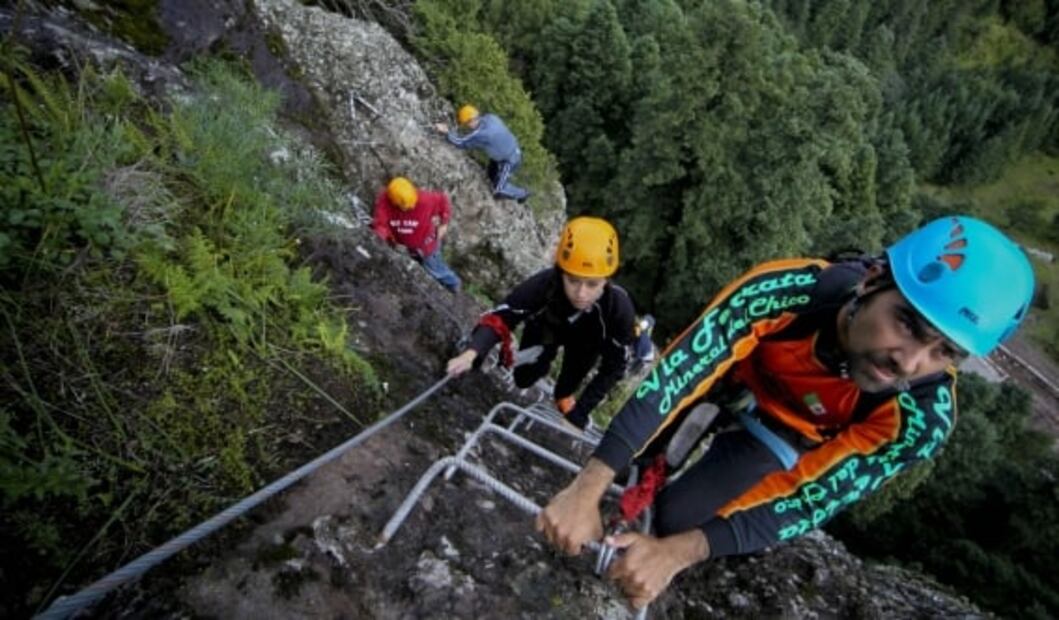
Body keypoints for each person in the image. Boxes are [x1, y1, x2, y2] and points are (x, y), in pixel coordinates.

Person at [535, 215, 1035, 609]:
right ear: (872, 281)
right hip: (734, 375)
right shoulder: (790, 289)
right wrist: (588, 485)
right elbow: (681, 375)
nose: (908, 361)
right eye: (906, 322)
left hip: (787, 430)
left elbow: (811, 499)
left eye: (942, 351)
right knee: (635, 466)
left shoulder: (922, 417)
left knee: (674, 519)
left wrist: (676, 554)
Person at [447, 216, 636, 429]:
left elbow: (615, 365)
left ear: (606, 280)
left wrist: (580, 412)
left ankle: (563, 394)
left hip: (586, 345)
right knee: (523, 378)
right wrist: (472, 352)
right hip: (546, 331)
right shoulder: (547, 284)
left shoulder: (618, 308)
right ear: (561, 272)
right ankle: (544, 362)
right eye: (573, 280)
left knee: (565, 387)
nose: (581, 294)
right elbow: (503, 315)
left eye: (592, 284)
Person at [372, 176, 461, 291]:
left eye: (412, 205)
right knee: (423, 269)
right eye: (405, 208)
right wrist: (381, 238)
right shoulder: (384, 202)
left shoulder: (425, 199)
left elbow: (443, 201)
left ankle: (454, 284)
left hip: (427, 245)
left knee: (436, 269)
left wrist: (444, 223)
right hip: (410, 249)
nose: (410, 208)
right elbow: (381, 224)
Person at [435, 104, 531, 203]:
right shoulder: (490, 117)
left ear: (471, 121)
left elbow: (461, 143)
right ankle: (498, 175)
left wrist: (446, 132)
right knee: (491, 177)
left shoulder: (482, 133)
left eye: (467, 124)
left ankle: (523, 193)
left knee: (498, 190)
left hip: (509, 161)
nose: (468, 127)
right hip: (511, 151)